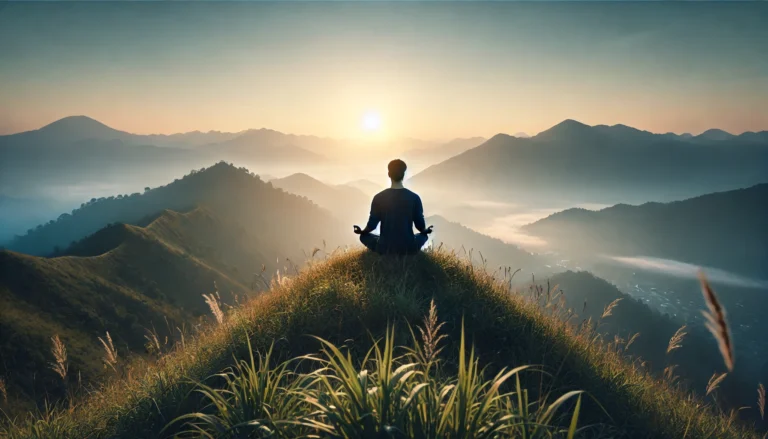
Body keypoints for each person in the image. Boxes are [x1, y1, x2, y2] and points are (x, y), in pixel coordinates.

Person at [353, 159, 433, 255]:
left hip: (385, 247)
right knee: (423, 236)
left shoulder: (379, 197)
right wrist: (426, 231)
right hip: (408, 248)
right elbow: (420, 226)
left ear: (389, 174)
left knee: (364, 237)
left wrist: (362, 231)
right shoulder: (414, 198)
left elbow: (372, 225)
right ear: (403, 175)